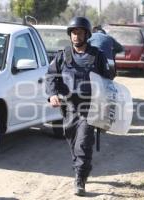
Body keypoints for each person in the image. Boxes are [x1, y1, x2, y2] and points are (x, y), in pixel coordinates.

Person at [45, 16, 115, 196]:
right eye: (73, 33)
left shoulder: (97, 56)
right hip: (69, 107)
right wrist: (52, 94)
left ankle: (80, 180)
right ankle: (81, 167)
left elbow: (108, 81)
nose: (76, 36)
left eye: (80, 33)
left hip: (89, 107)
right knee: (73, 141)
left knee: (83, 143)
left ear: (87, 34)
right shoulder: (63, 55)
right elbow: (51, 76)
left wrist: (107, 106)